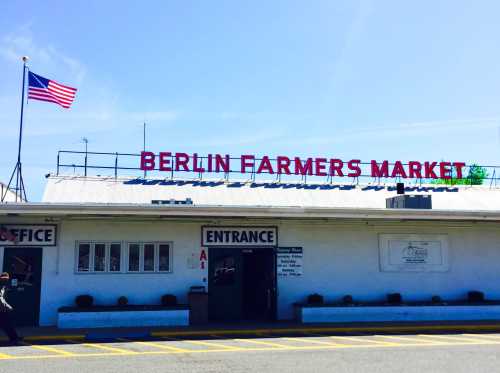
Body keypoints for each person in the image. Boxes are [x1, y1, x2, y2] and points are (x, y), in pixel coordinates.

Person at [0, 272, 21, 345]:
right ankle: (14, 338)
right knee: (7, 324)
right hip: (2, 310)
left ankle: (14, 337)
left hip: (2, 309)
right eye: (5, 279)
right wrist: (7, 306)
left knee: (7, 324)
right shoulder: (2, 286)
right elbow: (1, 298)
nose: (6, 280)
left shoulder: (3, 286)